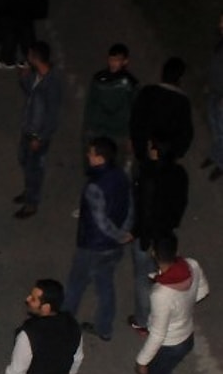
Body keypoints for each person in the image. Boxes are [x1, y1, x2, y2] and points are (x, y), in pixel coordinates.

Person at [117, 235, 209, 374]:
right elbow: (203, 291)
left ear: (154, 254)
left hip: (169, 346)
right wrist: (183, 308)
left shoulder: (161, 294)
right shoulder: (192, 265)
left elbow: (158, 334)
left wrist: (142, 361)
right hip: (185, 337)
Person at [62, 137, 134, 342]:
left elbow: (100, 220)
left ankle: (62, 325)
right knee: (105, 285)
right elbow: (130, 205)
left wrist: (118, 235)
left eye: (91, 153)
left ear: (100, 158)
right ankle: (104, 327)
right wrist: (125, 232)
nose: (88, 155)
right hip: (113, 246)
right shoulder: (121, 175)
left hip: (93, 245)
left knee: (76, 284)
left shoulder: (95, 185)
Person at [128, 134, 189, 334]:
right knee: (159, 273)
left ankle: (143, 320)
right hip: (166, 233)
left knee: (142, 276)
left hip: (148, 236)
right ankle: (160, 314)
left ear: (155, 151)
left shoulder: (148, 174)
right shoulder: (179, 173)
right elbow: (181, 203)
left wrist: (137, 233)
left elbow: (144, 209)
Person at [12, 41, 61, 218]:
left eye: (30, 55)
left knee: (34, 169)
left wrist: (39, 137)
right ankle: (28, 191)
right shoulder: (36, 75)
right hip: (28, 127)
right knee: (24, 160)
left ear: (35, 57)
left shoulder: (51, 83)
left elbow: (52, 116)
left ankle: (31, 203)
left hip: (37, 134)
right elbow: (29, 92)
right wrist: (23, 76)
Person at [81, 43, 139, 171]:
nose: (113, 63)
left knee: (116, 166)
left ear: (125, 61)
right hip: (98, 129)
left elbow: (136, 111)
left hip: (119, 132)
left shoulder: (131, 84)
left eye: (117, 60)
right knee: (93, 164)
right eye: (111, 59)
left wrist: (131, 137)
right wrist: (88, 127)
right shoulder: (99, 79)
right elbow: (91, 104)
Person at [129, 57, 194, 167]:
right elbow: (186, 133)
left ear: (162, 73)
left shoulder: (148, 92)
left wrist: (134, 140)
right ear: (180, 79)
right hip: (165, 154)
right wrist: (177, 153)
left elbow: (136, 118)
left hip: (143, 147)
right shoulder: (183, 102)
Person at [203, 13, 223, 182]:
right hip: (214, 90)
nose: (220, 24)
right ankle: (214, 155)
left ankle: (221, 164)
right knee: (215, 127)